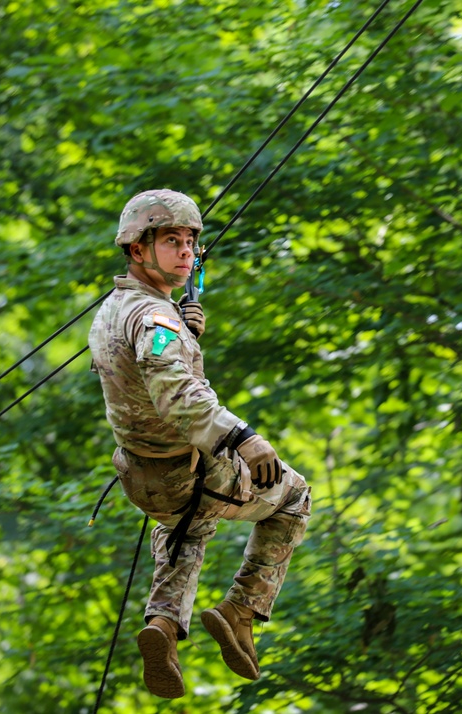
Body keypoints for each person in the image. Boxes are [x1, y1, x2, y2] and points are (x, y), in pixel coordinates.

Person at [88, 189, 312, 699]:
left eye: (191, 242)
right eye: (171, 241)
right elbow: (176, 395)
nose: (187, 252)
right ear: (137, 250)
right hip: (186, 467)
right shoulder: (155, 319)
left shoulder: (116, 310)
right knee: (293, 497)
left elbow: (140, 370)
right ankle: (240, 610)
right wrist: (245, 439)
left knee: (191, 520)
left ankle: (164, 626)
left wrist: (185, 334)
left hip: (144, 477)